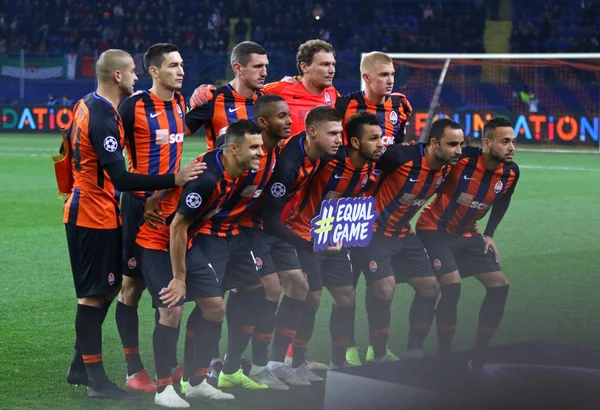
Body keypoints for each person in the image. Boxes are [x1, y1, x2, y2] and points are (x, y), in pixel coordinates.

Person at [62, 49, 203, 400]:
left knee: (105, 290)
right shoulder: (114, 112)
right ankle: (101, 376)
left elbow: (67, 146)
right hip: (106, 211)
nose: (136, 77)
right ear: (119, 76)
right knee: (103, 294)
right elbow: (122, 177)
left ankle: (82, 365)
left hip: (104, 210)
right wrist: (175, 178)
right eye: (174, 64)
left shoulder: (88, 104)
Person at [167, 120, 271, 400]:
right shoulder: (207, 178)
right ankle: (193, 378)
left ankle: (226, 368)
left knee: (254, 290)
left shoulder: (240, 168)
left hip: (228, 233)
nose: (261, 152)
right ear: (234, 149)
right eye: (254, 147)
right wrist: (179, 276)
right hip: (195, 237)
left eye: (261, 146)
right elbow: (177, 227)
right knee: (211, 307)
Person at [351, 118, 464, 364]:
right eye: (453, 144)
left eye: (461, 144)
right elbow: (359, 156)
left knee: (430, 287)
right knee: (385, 287)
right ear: (434, 143)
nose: (459, 151)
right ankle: (378, 353)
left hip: (404, 233)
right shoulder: (400, 156)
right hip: (373, 230)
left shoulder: (447, 165)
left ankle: (414, 352)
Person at [416, 116, 519, 371]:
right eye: (505, 141)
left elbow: (503, 200)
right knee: (451, 286)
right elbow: (429, 161)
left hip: (467, 233)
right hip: (434, 229)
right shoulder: (461, 158)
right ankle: (444, 358)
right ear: (487, 142)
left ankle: (479, 357)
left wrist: (490, 234)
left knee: (500, 286)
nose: (512, 147)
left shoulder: (511, 172)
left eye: (513, 141)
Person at [283, 111, 383, 370]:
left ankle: (339, 361)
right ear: (356, 142)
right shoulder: (326, 162)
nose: (381, 144)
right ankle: (293, 360)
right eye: (374, 138)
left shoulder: (373, 165)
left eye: (381, 137)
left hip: (336, 239)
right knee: (311, 299)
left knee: (346, 297)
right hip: (306, 235)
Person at [114, 43, 187, 394]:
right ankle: (133, 367)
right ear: (154, 71)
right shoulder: (133, 106)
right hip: (138, 208)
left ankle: (169, 363)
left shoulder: (182, 102)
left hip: (170, 210)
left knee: (172, 288)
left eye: (182, 64)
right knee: (131, 286)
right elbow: (110, 154)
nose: (181, 70)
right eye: (173, 65)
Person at [262, 106, 343, 383]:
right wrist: (308, 245)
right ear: (312, 132)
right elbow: (269, 220)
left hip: (281, 228)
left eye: (340, 133)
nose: (339, 139)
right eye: (332, 133)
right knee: (258, 293)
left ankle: (278, 363)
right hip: (258, 229)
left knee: (300, 286)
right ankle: (238, 364)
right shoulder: (289, 166)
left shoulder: (317, 153)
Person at [185, 41, 268, 150]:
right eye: (258, 66)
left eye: (265, 66)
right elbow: (176, 132)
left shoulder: (267, 99)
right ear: (237, 68)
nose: (264, 73)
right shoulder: (213, 100)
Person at [336, 51, 412, 147]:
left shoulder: (400, 106)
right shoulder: (344, 105)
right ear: (367, 78)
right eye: (384, 75)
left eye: (392, 74)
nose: (390, 81)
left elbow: (397, 147)